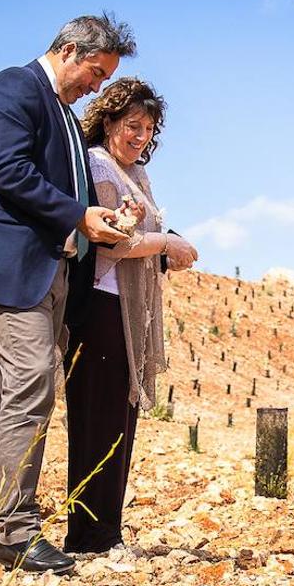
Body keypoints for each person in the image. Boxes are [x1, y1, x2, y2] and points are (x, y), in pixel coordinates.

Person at [0, 14, 136, 573]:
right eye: (95, 71)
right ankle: (17, 533)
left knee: (7, 392)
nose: (98, 85)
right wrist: (79, 215)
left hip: (46, 273)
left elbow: (56, 186)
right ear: (69, 50)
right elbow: (7, 170)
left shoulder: (65, 116)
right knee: (30, 386)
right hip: (10, 269)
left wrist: (102, 218)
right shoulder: (14, 87)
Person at [62, 77, 198, 554]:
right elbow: (111, 240)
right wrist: (166, 244)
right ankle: (88, 535)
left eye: (148, 129)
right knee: (97, 421)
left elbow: (141, 239)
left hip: (128, 311)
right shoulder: (99, 164)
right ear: (110, 121)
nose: (139, 136)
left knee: (120, 422)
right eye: (132, 125)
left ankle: (106, 531)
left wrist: (166, 253)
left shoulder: (137, 174)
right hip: (100, 308)